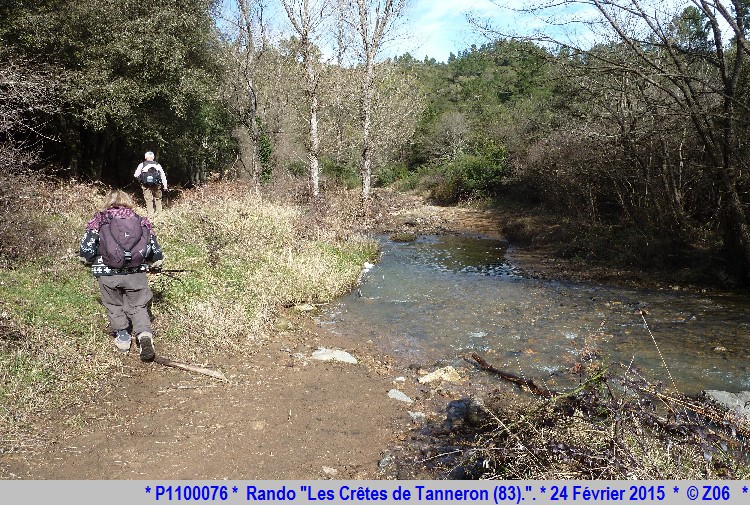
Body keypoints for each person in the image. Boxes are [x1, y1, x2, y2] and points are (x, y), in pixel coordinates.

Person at [79, 189, 163, 362]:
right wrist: (153, 263)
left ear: (107, 202)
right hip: (136, 271)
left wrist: (89, 260)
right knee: (139, 305)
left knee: (113, 304)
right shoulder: (141, 221)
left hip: (107, 273)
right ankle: (144, 335)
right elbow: (154, 250)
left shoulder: (99, 219)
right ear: (128, 201)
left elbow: (86, 249)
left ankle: (123, 338)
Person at [133, 151, 168, 215]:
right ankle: (159, 213)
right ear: (153, 157)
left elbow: (135, 175)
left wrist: (141, 180)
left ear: (145, 157)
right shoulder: (157, 165)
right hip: (156, 185)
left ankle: (151, 214)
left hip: (146, 185)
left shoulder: (142, 165)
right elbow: (163, 176)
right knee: (158, 198)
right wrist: (165, 186)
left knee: (148, 199)